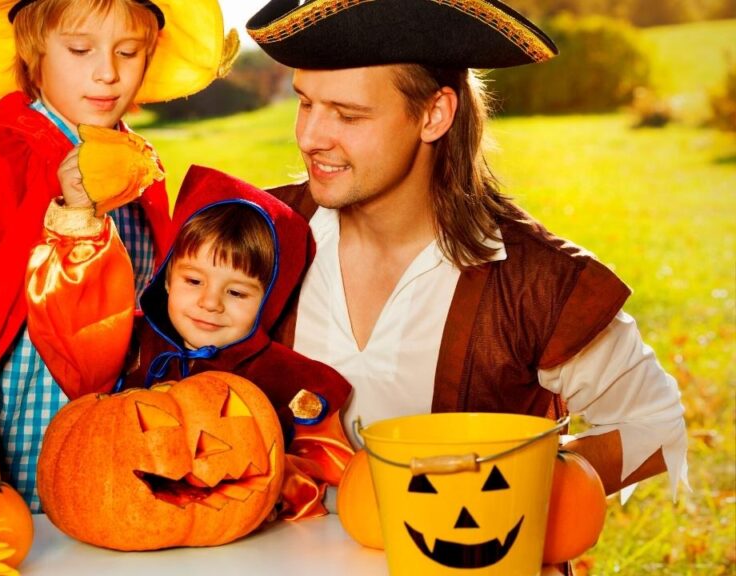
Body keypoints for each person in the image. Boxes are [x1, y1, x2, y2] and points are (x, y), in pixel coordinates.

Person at [247, 0, 686, 500]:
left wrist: (497, 487)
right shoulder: (256, 234)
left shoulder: (534, 280)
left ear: (434, 115)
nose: (309, 137)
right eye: (305, 103)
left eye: (348, 115)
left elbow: (655, 426)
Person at [0, 0, 235, 507]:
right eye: (80, 49)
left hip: (115, 459)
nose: (107, 73)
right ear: (34, 52)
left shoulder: (137, 165)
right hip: (21, 460)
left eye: (128, 52)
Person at [29, 165, 356, 518]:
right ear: (168, 278)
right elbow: (73, 317)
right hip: (127, 520)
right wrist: (77, 220)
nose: (210, 303)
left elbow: (326, 461)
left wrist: (279, 483)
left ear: (268, 301)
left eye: (235, 292)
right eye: (193, 282)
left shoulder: (287, 379)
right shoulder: (130, 346)